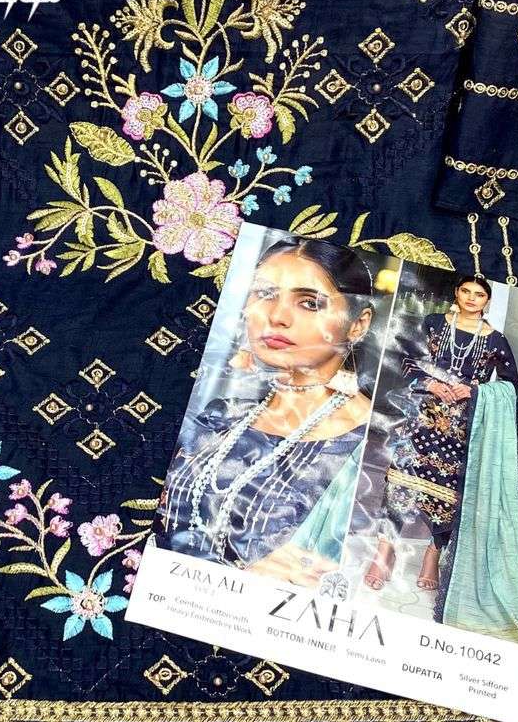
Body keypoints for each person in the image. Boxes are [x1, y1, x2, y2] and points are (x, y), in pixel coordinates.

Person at [160, 240, 375, 587]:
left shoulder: (371, 444)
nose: (276, 317)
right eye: (264, 294)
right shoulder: (220, 416)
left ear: (357, 324)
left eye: (309, 303)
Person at [362, 275, 518, 645]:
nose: (472, 298)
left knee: (448, 493)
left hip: (462, 426)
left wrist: (473, 390)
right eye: (466, 292)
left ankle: (433, 553)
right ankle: (385, 551)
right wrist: (431, 384)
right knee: (400, 481)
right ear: (457, 294)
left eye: (480, 294)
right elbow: (404, 358)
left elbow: (512, 384)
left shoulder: (495, 339)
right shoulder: (432, 324)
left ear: (487, 300)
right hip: (421, 416)